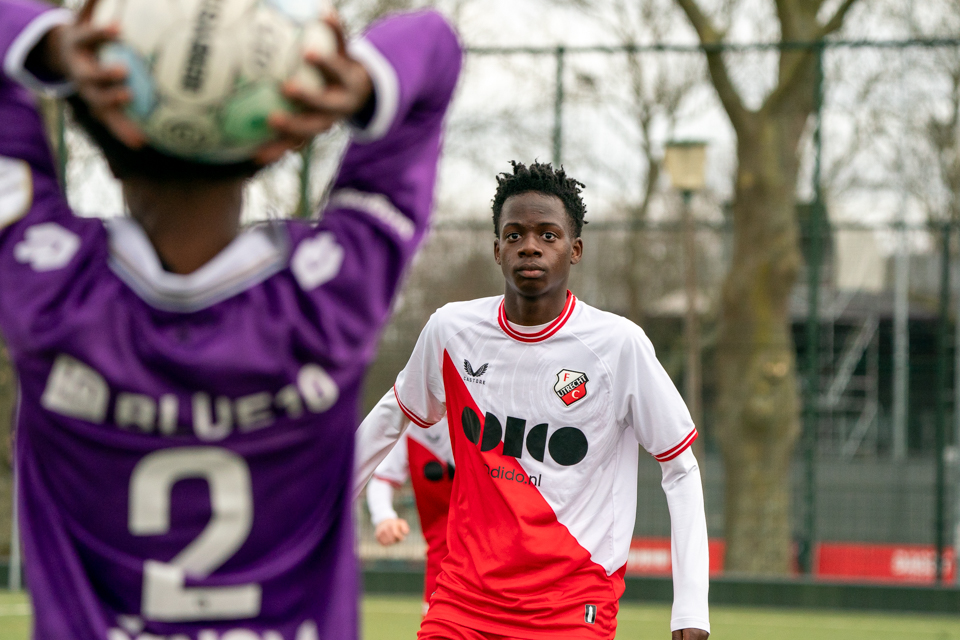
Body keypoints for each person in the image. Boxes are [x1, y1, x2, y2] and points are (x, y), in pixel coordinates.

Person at [0, 1, 461, 639]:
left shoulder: (49, 292)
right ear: (275, 144)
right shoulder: (327, 301)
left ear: (103, 135)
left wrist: (54, 46)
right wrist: (359, 83)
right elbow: (433, 43)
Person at [354, 161, 710, 640]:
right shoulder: (450, 331)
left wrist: (691, 609)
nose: (530, 246)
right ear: (497, 248)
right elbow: (390, 416)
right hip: (462, 600)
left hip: (570, 606)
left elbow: (681, 468)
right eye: (515, 234)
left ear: (575, 249)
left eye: (548, 235)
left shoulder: (618, 346)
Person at [363, 409, 453, 614]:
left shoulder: (493, 415)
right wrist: (384, 517)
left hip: (501, 567)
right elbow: (382, 478)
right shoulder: (411, 421)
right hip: (442, 567)